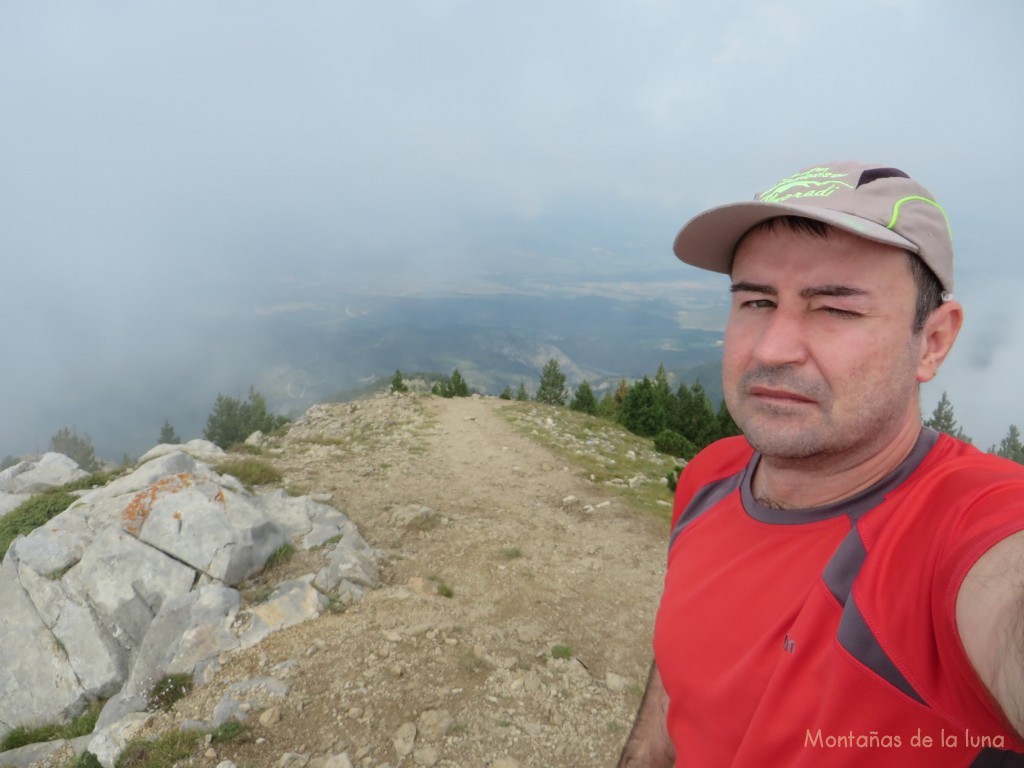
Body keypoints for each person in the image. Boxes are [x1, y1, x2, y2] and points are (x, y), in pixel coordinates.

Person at [617, 161, 1024, 767]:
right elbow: (679, 673)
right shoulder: (711, 475)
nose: (772, 348)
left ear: (932, 342)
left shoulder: (966, 525)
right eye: (756, 300)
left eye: (835, 308)